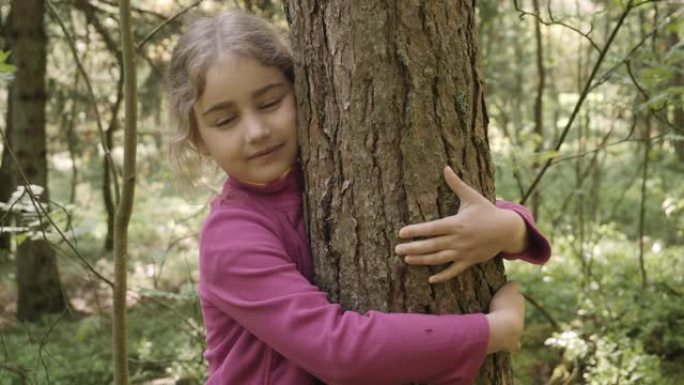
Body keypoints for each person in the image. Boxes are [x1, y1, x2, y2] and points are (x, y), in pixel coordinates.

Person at [168, 10, 551, 385]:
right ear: (199, 138)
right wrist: (491, 332)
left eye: (270, 102)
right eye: (225, 121)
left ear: (304, 93)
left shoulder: (330, 174)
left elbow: (439, 219)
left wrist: (510, 228)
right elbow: (338, 350)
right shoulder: (231, 238)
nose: (255, 131)